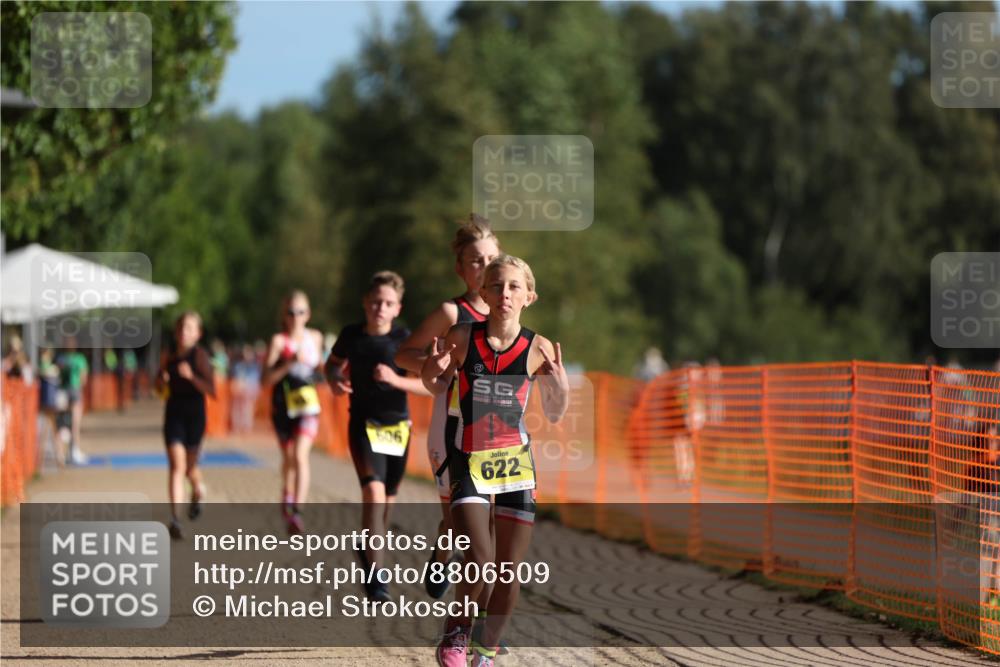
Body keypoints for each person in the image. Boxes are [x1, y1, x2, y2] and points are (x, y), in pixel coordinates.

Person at [422, 255, 569, 667]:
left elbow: (556, 414)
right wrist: (430, 373)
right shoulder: (462, 337)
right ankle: (456, 631)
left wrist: (561, 388)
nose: (505, 294)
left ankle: (485, 651)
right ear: (483, 293)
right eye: (497, 286)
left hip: (516, 466)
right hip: (469, 458)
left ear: (529, 297)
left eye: (514, 287)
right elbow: (436, 384)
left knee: (508, 571)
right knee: (479, 558)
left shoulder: (538, 348)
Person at [395, 215, 500, 600]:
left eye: (490, 258)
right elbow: (402, 354)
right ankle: (444, 550)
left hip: (493, 429)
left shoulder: (507, 314)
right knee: (460, 523)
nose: (484, 266)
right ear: (461, 269)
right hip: (450, 427)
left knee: (485, 526)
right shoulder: (452, 313)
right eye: (475, 260)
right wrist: (431, 366)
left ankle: (475, 623)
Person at [326, 271, 430, 602]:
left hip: (398, 428)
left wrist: (395, 380)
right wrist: (333, 380)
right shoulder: (351, 335)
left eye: (387, 303)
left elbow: (428, 385)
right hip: (362, 424)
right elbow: (331, 365)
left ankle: (367, 549)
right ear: (365, 303)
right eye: (374, 302)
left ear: (397, 308)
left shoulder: (404, 341)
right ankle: (377, 577)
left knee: (385, 506)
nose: (379, 308)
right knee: (372, 492)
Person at [263, 290, 325, 535]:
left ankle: (297, 512)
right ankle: (287, 493)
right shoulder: (278, 341)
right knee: (289, 458)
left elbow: (321, 367)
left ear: (308, 314)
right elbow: (265, 379)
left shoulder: (316, 337)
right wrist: (289, 362)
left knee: (300, 455)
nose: (296, 316)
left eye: (300, 311)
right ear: (284, 315)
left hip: (308, 404)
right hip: (283, 405)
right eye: (291, 312)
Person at [156, 312, 215, 540]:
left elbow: (212, 390)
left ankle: (199, 490)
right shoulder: (168, 357)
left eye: (189, 328)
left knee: (190, 469)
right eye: (181, 327)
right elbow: (158, 389)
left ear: (198, 334)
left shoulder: (199, 356)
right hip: (174, 415)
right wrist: (161, 382)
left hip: (195, 416)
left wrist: (191, 377)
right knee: (176, 467)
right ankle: (176, 520)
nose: (184, 332)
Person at [56, 335, 89, 465]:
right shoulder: (76, 359)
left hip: (67, 392)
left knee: (67, 424)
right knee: (71, 424)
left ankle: (71, 451)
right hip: (70, 392)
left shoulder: (62, 359)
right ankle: (68, 452)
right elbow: (83, 377)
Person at [231, 343, 262, 434]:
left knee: (247, 409)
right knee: (237, 408)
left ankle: (246, 427)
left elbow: (255, 380)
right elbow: (235, 378)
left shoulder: (254, 367)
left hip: (249, 391)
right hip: (239, 390)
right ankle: (236, 426)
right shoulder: (238, 366)